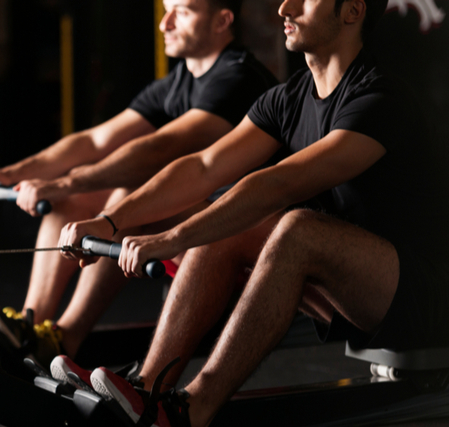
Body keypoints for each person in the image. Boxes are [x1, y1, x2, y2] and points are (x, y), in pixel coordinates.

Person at [57, 0, 449, 425]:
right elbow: (203, 167)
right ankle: (149, 390)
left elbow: (279, 183)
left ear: (352, 12)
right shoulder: (287, 99)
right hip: (353, 294)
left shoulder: (380, 98)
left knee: (295, 226)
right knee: (233, 225)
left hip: (424, 300)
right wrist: (112, 220)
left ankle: (195, 408)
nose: (286, 7)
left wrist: (171, 239)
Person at [0, 0, 278, 367]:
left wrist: (64, 182)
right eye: (166, 10)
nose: (166, 24)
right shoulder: (177, 82)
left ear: (223, 20)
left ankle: (65, 337)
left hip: (239, 236)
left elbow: (163, 146)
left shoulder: (238, 77)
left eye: (184, 12)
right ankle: (31, 327)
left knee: (127, 198)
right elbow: (95, 141)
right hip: (199, 223)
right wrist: (11, 173)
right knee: (76, 197)